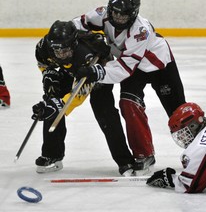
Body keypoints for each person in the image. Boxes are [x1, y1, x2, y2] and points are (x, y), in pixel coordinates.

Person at [72, 0, 186, 172]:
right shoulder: (101, 14)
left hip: (159, 65)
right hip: (134, 67)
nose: (118, 18)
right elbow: (77, 24)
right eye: (115, 14)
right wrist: (82, 36)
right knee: (128, 103)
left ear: (133, 14)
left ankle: (198, 150)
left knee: (179, 112)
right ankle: (144, 154)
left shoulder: (141, 30)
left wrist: (96, 72)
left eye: (123, 16)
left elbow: (124, 69)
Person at [32, 20, 135, 176]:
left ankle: (125, 160)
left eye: (65, 51)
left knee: (105, 112)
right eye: (57, 51)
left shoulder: (85, 54)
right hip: (72, 69)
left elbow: (78, 94)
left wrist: (59, 106)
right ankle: (52, 155)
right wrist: (49, 75)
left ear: (73, 45)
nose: (60, 55)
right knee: (51, 102)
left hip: (96, 70)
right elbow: (44, 63)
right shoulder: (43, 47)